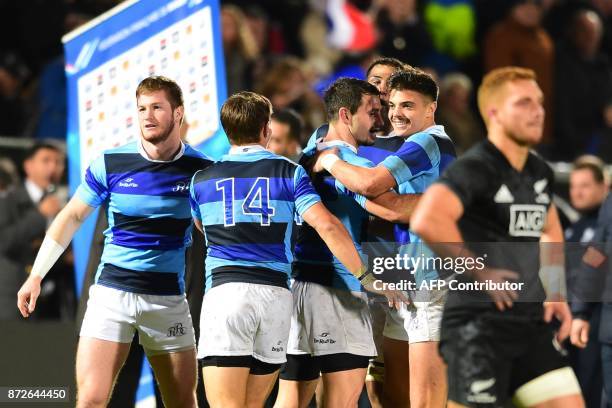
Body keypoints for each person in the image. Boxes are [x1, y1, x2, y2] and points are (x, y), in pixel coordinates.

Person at [17, 76, 211, 408]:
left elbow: (213, 233)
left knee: (182, 402)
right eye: (141, 109)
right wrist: (36, 274)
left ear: (178, 113)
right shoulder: (111, 163)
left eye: (157, 108)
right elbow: (71, 216)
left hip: (167, 300)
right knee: (90, 400)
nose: (147, 116)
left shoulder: (203, 170)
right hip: (111, 296)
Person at [190, 90, 391, 408]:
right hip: (275, 297)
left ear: (227, 129)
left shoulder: (201, 180)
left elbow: (203, 227)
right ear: (265, 130)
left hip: (226, 295)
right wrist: (366, 276)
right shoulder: (289, 172)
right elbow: (326, 226)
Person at [410, 66, 584, 407]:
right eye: (523, 103)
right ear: (495, 113)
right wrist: (480, 271)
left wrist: (556, 292)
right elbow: (427, 219)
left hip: (529, 324)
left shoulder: (539, 171)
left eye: (540, 102)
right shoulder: (477, 167)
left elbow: (550, 229)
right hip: (477, 329)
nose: (538, 111)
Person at [275, 77, 420, 408]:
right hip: (338, 292)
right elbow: (391, 209)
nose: (379, 121)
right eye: (372, 112)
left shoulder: (307, 155)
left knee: (292, 398)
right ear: (345, 114)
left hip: (299, 289)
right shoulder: (349, 163)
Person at [315, 69, 456, 407]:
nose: (396, 113)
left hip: (432, 281)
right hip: (407, 281)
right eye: (392, 105)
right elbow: (393, 208)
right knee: (393, 393)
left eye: (408, 105)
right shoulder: (416, 144)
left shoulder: (428, 142)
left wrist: (331, 163)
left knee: (424, 400)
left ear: (431, 108)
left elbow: (372, 189)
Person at [0, 143, 64, 321]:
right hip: (13, 297)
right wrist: (39, 215)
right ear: (28, 166)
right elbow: (4, 241)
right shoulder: (7, 200)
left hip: (53, 302)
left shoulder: (66, 203)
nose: (53, 167)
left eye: (58, 162)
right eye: (46, 160)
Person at [565, 156, 608, 408]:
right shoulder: (572, 228)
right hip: (571, 319)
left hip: (597, 320)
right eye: (573, 186)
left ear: (604, 187)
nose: (577, 192)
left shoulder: (604, 226)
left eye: (585, 185)